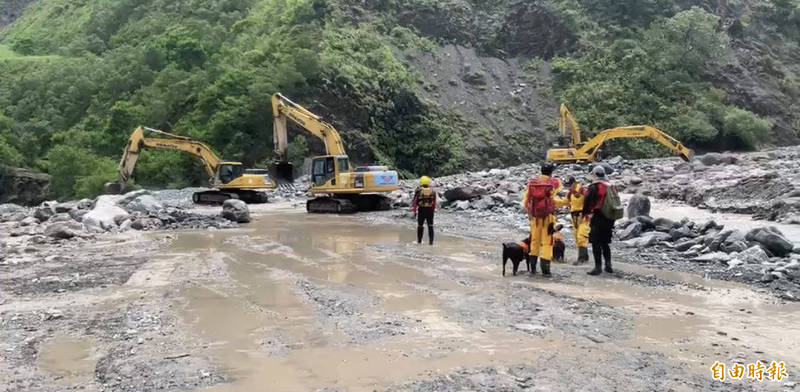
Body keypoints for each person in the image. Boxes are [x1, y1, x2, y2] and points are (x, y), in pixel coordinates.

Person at [521, 163, 566, 276]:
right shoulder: (555, 183)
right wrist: (566, 202)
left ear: (541, 171)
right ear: (551, 172)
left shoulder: (532, 183)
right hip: (548, 218)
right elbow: (553, 200)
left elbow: (526, 202)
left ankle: (532, 269)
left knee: (535, 241)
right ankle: (545, 270)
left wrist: (531, 213)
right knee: (547, 242)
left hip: (534, 218)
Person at [582, 166, 615, 275]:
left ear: (595, 174)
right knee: (605, 242)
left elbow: (587, 201)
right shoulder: (610, 185)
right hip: (610, 217)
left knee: (596, 242)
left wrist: (585, 214)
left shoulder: (594, 186)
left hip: (598, 216)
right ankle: (608, 265)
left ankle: (598, 267)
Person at [564, 176, 590, 265]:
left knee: (581, 236)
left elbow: (590, 199)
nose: (568, 187)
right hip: (574, 217)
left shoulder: (583, 190)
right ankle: (585, 256)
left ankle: (581, 258)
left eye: (569, 185)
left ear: (574, 183)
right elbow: (566, 202)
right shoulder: (570, 193)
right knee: (576, 236)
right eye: (567, 185)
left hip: (583, 216)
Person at [411, 175, 437, 245]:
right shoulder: (433, 191)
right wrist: (434, 209)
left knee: (420, 226)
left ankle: (419, 241)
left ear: (421, 182)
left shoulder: (418, 190)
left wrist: (414, 211)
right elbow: (434, 202)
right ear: (428, 182)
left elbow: (415, 201)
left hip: (421, 210)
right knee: (430, 226)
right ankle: (431, 243)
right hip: (430, 211)